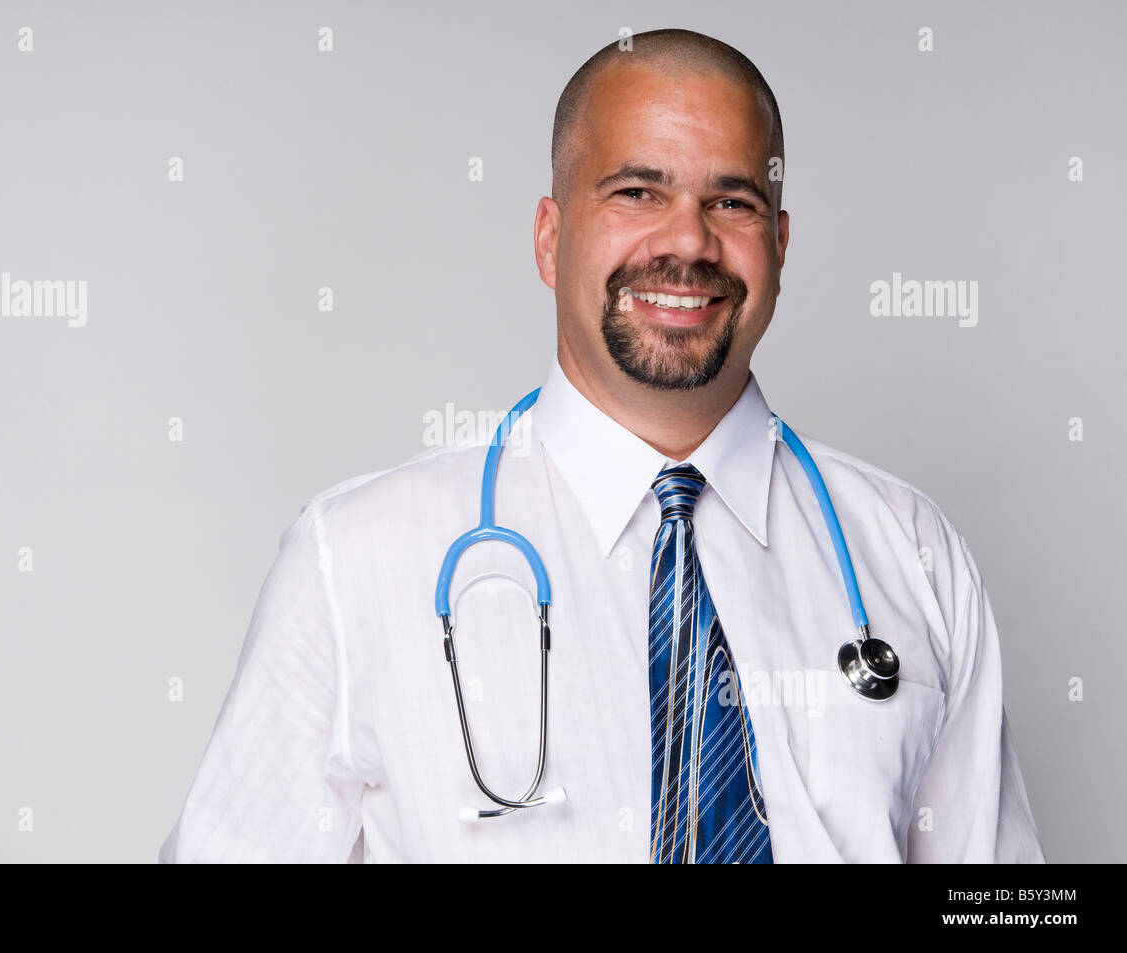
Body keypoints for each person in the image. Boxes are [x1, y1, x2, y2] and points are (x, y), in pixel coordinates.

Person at [158, 28, 1044, 863]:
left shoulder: (914, 555)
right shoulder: (354, 560)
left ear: (777, 243)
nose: (688, 242)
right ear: (550, 239)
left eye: (730, 201)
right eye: (637, 192)